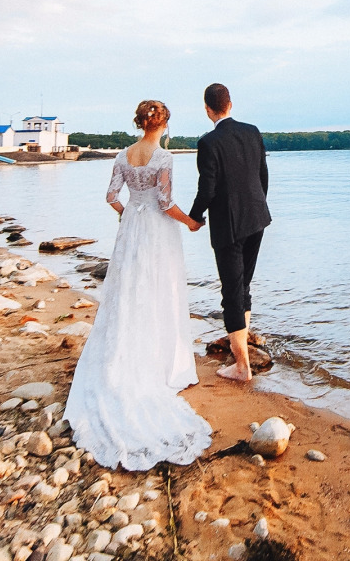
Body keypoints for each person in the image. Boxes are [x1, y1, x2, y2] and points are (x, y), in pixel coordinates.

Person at [64, 100, 211, 470]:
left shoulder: (122, 155)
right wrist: (191, 223)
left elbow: (112, 197)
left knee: (128, 292)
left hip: (132, 227)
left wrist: (128, 213)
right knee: (161, 289)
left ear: (140, 122)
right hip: (158, 232)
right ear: (163, 124)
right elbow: (165, 202)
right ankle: (164, 363)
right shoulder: (164, 158)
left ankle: (126, 353)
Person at [189, 84, 271, 382]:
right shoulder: (252, 131)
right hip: (257, 218)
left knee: (231, 293)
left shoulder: (209, 142)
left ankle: (241, 366)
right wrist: (257, 206)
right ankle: (243, 349)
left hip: (230, 225)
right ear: (230, 105)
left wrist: (194, 217)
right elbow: (263, 176)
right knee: (243, 285)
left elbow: (207, 188)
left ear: (208, 109)